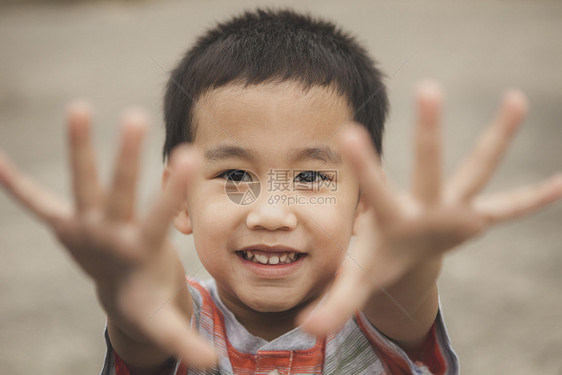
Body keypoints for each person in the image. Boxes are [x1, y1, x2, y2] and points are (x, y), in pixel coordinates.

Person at [0, 8, 560, 375]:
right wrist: (124, 275)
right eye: (235, 176)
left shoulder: (373, 317)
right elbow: (151, 311)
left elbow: (401, 294)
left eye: (312, 177)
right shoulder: (180, 323)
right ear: (179, 200)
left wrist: (419, 255)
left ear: (365, 200)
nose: (270, 213)